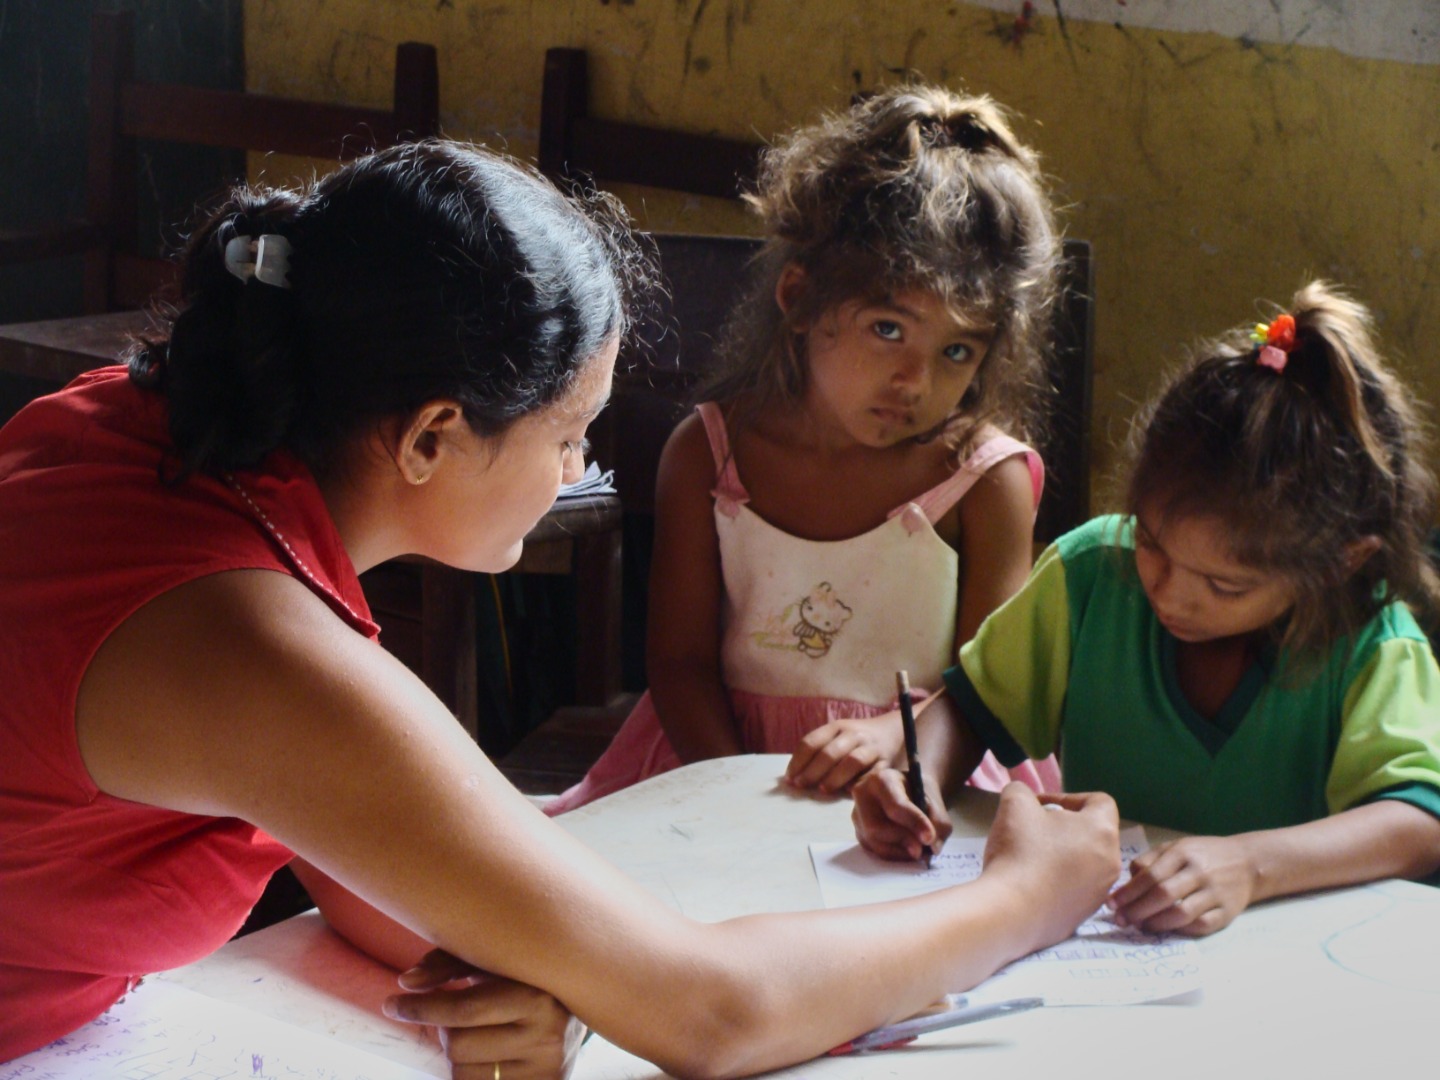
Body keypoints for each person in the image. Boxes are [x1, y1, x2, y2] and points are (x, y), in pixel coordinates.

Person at [0, 138, 1124, 1075]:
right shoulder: (254, 647)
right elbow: (714, 1013)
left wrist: (558, 970)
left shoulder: (131, 423)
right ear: (435, 435)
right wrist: (1028, 897)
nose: (580, 469)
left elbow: (352, 842)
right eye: (566, 433)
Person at [852, 280, 1440, 937]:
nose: (1169, 593)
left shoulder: (1373, 643)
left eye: (1227, 586)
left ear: (1342, 562)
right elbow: (969, 710)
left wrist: (1251, 864)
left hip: (1286, 968)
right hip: (1112, 948)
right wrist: (920, 778)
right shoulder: (1093, 574)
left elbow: (1417, 823)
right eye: (1153, 546)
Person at [544, 83, 1065, 816]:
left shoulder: (983, 480)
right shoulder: (708, 454)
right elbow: (680, 665)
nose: (916, 380)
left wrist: (896, 740)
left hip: (923, 777)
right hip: (713, 764)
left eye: (956, 349)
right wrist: (741, 800)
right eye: (888, 329)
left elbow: (989, 690)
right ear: (799, 298)